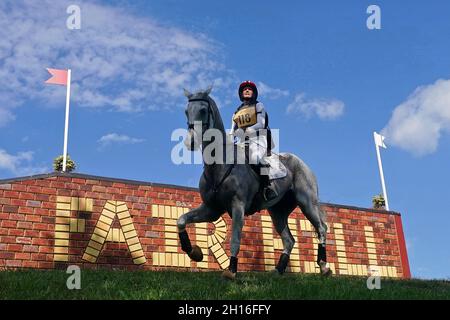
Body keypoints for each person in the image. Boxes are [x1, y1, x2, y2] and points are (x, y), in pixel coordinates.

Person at [230, 80, 277, 201]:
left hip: (259, 138)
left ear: (253, 93)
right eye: (244, 89)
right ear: (241, 93)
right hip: (243, 142)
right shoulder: (236, 112)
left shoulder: (258, 105)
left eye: (249, 89)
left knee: (255, 159)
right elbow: (232, 130)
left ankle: (268, 187)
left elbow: (261, 123)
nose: (246, 90)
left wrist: (250, 129)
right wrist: (230, 137)